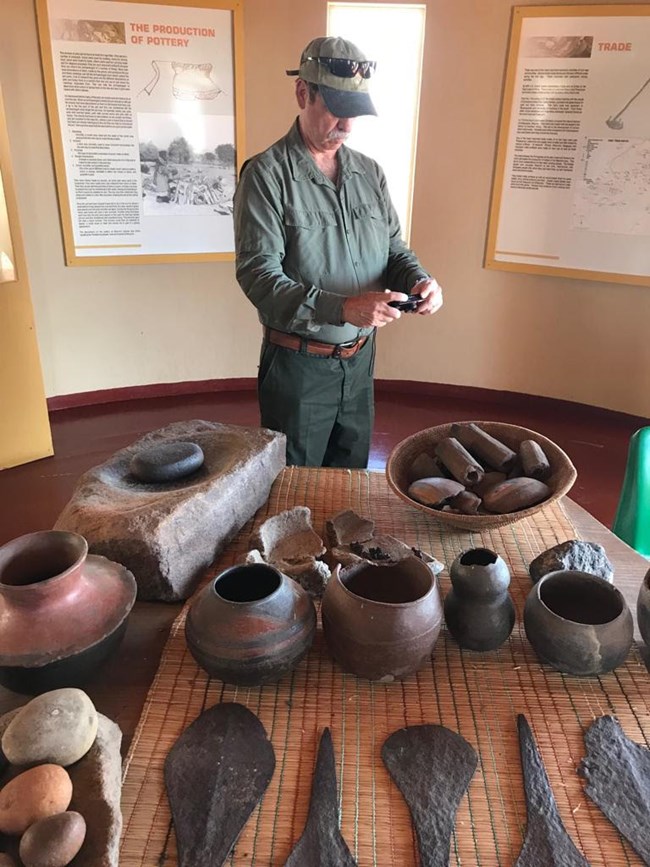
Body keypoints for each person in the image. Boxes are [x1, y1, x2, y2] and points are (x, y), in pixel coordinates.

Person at [234, 36, 443, 468]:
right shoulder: (266, 176)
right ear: (301, 94)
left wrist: (417, 279)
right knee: (293, 489)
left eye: (355, 113)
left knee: (350, 487)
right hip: (298, 367)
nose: (346, 125)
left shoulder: (369, 173)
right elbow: (259, 276)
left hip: (360, 360)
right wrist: (343, 308)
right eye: (335, 109)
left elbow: (393, 250)